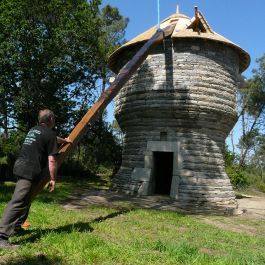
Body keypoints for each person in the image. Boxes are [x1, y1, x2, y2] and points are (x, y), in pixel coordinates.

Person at [0, 109, 71, 249]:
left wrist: (65, 140)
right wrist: (53, 179)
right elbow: (52, 160)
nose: (54, 121)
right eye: (54, 119)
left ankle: (17, 228)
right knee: (18, 201)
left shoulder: (34, 130)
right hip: (29, 169)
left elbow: (53, 139)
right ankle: (1, 236)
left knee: (27, 199)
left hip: (20, 165)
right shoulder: (49, 133)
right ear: (50, 119)